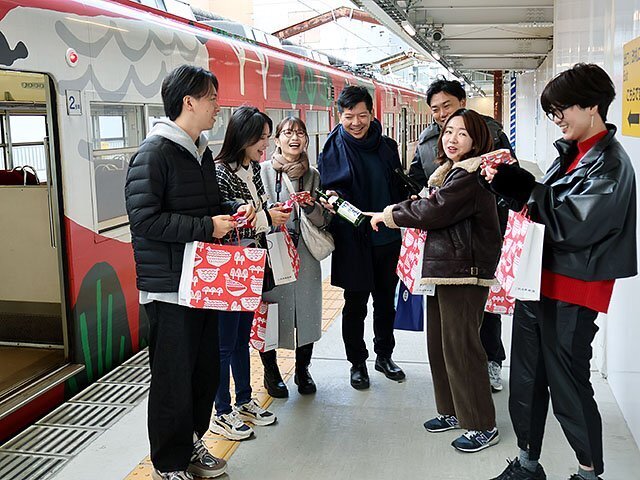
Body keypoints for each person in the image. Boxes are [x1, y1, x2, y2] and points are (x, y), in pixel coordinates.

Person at [482, 63, 637, 480]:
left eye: (562, 109)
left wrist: (523, 189)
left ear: (591, 106)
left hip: (574, 290)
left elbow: (576, 224)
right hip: (538, 282)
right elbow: (539, 210)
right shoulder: (570, 155)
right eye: (552, 112)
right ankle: (529, 463)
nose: (557, 119)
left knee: (568, 384)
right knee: (528, 378)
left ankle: (589, 473)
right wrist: (511, 190)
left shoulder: (612, 165)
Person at [125, 65, 252, 480]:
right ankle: (169, 462)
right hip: (168, 289)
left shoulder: (199, 151)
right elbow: (145, 221)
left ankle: (192, 443)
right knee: (171, 380)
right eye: (213, 98)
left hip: (201, 283)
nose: (218, 107)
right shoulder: (154, 153)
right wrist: (205, 228)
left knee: (203, 372)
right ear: (189, 102)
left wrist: (234, 213)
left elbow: (206, 209)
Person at [370, 108, 502, 453]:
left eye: (462, 133)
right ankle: (453, 411)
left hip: (465, 271)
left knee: (462, 347)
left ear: (477, 140)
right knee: (441, 345)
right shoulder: (449, 175)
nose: (452, 139)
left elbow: (434, 212)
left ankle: (481, 424)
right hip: (445, 268)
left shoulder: (471, 176)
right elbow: (433, 205)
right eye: (448, 132)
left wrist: (389, 215)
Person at [410, 77, 513, 393]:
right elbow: (416, 177)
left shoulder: (491, 134)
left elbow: (509, 180)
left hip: (482, 234)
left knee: (484, 307)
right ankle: (459, 387)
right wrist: (421, 198)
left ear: (462, 103)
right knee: (452, 323)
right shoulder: (429, 141)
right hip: (445, 238)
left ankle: (492, 363)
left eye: (447, 106)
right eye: (436, 109)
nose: (442, 115)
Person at [209, 106, 291, 441]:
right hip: (228, 266)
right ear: (242, 137)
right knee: (224, 344)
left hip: (252, 262)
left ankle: (244, 400)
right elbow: (230, 217)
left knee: (244, 336)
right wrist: (266, 218)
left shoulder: (253, 169)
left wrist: (269, 214)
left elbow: (256, 210)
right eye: (261, 138)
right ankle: (221, 411)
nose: (265, 145)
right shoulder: (219, 172)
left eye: (267, 138)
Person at [318, 85, 407, 390]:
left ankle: (384, 355)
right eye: (349, 116)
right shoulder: (332, 149)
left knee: (386, 303)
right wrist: (332, 198)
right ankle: (357, 363)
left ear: (372, 114)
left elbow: (397, 185)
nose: (356, 122)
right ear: (339, 115)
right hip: (353, 240)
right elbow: (332, 191)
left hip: (387, 238)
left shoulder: (386, 146)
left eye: (362, 115)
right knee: (354, 305)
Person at [259, 116, 331, 396]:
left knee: (307, 311)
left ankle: (303, 370)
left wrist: (312, 206)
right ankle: (271, 372)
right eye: (288, 132)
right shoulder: (263, 171)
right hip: (274, 251)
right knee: (272, 311)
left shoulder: (313, 174)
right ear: (276, 140)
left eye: (300, 133)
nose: (294, 137)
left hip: (304, 254)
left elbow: (323, 220)